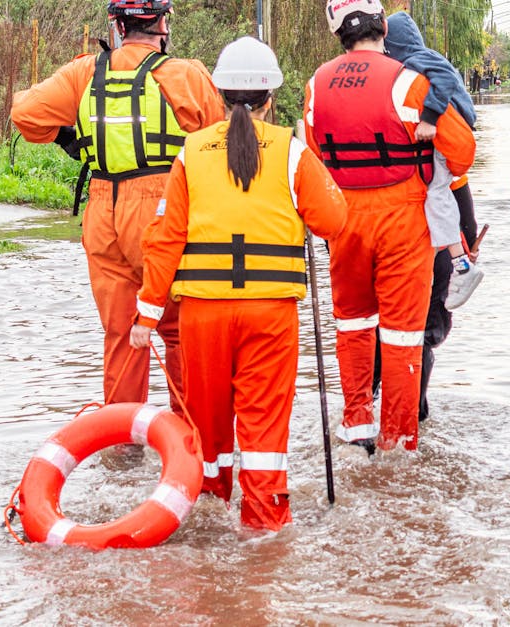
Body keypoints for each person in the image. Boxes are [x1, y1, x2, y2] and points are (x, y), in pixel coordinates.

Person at [129, 37, 347, 530]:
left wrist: (147, 315)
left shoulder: (191, 152)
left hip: (202, 315)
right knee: (264, 428)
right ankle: (265, 529)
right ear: (271, 97)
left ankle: (208, 514)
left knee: (207, 428)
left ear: (220, 95)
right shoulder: (291, 152)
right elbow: (334, 221)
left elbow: (164, 240)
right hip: (270, 316)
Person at [11, 0, 224, 411]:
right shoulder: (185, 75)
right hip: (165, 208)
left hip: (103, 211)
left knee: (122, 334)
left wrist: (67, 137)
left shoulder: (84, 73)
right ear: (163, 24)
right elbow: (221, 142)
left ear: (118, 26)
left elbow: (25, 113)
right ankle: (193, 431)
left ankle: (122, 441)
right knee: (179, 329)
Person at [304, 0, 476, 453]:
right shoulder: (410, 82)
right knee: (403, 335)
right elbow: (462, 152)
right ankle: (399, 442)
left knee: (352, 325)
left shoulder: (316, 84)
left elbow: (313, 157)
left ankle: (356, 426)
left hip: (344, 222)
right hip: (404, 222)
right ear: (383, 25)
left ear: (337, 33)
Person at [383, 10, 483, 310]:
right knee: (438, 192)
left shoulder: (418, 63)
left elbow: (445, 80)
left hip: (449, 129)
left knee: (437, 191)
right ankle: (457, 260)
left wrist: (429, 118)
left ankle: (461, 266)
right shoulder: (422, 58)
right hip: (454, 130)